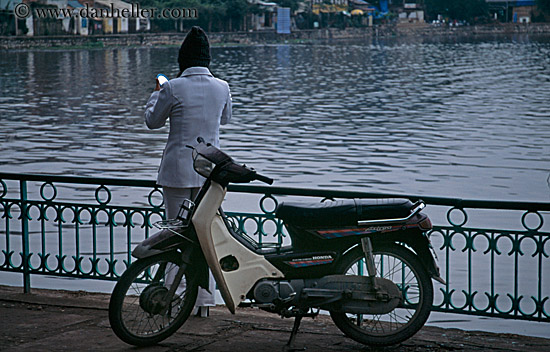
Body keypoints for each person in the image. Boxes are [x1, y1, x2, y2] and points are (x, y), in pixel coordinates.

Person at [144, 26, 232, 317]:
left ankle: (172, 300)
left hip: (178, 173)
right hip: (210, 174)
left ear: (183, 60)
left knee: (174, 234)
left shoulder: (172, 87)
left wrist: (156, 94)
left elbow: (152, 122)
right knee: (204, 236)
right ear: (207, 59)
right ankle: (204, 304)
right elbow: (226, 119)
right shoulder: (222, 86)